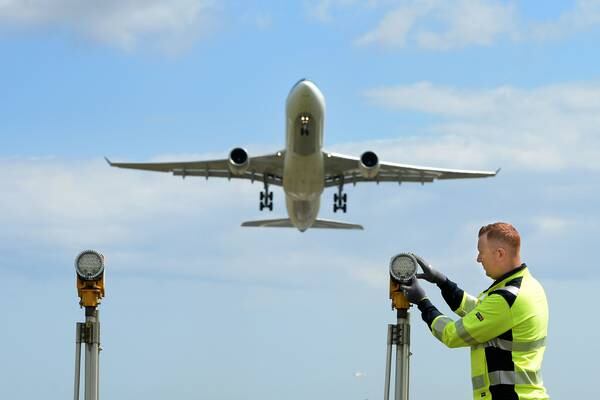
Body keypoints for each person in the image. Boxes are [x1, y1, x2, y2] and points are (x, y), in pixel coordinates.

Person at [400, 222, 549, 400]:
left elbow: (452, 334)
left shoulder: (508, 298)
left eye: (481, 252)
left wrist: (423, 302)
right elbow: (478, 311)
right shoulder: (527, 287)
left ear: (499, 253)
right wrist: (443, 283)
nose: (478, 259)